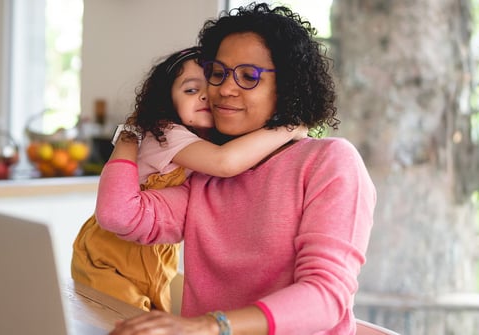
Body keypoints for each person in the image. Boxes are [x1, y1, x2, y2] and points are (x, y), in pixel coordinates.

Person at [94, 3, 376, 335]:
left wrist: (210, 326)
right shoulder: (204, 176)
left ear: (286, 87)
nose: (225, 89)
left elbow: (326, 298)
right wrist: (132, 132)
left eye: (247, 76)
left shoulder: (328, 161)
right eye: (218, 73)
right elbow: (121, 216)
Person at [71, 46, 306, 313]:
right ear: (167, 101)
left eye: (211, 86)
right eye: (191, 90)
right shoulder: (166, 133)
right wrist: (289, 127)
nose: (206, 95)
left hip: (154, 257)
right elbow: (225, 163)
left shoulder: (199, 141)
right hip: (109, 257)